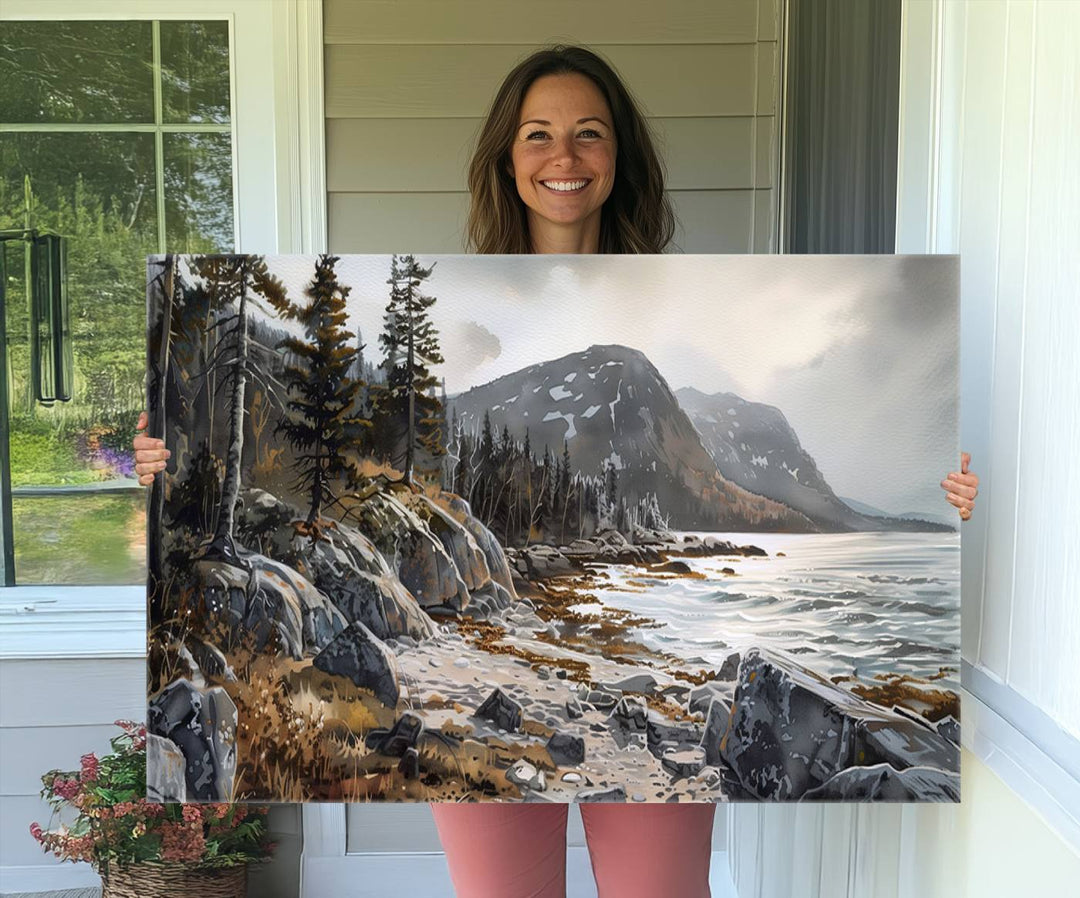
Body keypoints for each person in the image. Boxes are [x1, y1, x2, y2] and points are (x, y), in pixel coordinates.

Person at [133, 45, 979, 898]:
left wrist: (950, 496)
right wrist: (167, 463)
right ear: (508, 157)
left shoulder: (698, 289)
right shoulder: (454, 297)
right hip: (489, 731)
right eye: (538, 135)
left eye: (588, 134)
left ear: (620, 158)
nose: (563, 157)